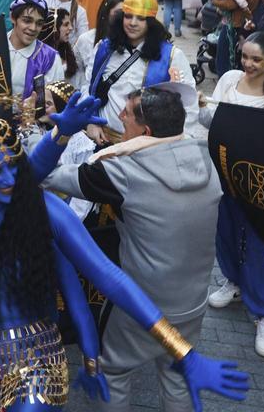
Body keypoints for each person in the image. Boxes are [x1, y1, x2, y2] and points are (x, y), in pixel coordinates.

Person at [0, 98, 250, 412]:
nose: (7, 179)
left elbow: (111, 278)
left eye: (12, 166)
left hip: (34, 358)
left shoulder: (44, 209)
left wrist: (182, 350)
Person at [39, 85, 227, 406]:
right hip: (193, 302)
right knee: (177, 376)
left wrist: (62, 133)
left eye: (126, 114)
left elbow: (47, 175)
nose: (119, 117)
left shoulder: (121, 170)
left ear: (146, 130)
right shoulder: (206, 155)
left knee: (114, 372)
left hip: (141, 305)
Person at [198, 33, 264, 357]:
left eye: (256, 59)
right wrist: (202, 107)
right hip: (224, 173)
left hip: (260, 182)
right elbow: (212, 124)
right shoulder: (230, 80)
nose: (248, 64)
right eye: (245, 57)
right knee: (225, 235)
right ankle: (233, 282)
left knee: (256, 247)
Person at [85, 0, 196, 145]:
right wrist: (91, 122)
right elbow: (88, 87)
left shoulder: (172, 57)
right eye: (128, 16)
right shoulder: (104, 48)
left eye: (140, 18)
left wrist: (178, 145)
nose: (133, 23)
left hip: (146, 148)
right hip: (102, 141)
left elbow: (188, 106)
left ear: (150, 22)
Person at [6, 0, 65, 100]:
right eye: (27, 21)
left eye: (39, 23)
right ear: (13, 18)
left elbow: (53, 103)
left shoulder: (49, 58)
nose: (33, 28)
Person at [41, 8, 80, 82]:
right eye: (66, 25)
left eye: (70, 24)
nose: (71, 28)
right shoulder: (41, 55)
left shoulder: (66, 51)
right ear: (54, 27)